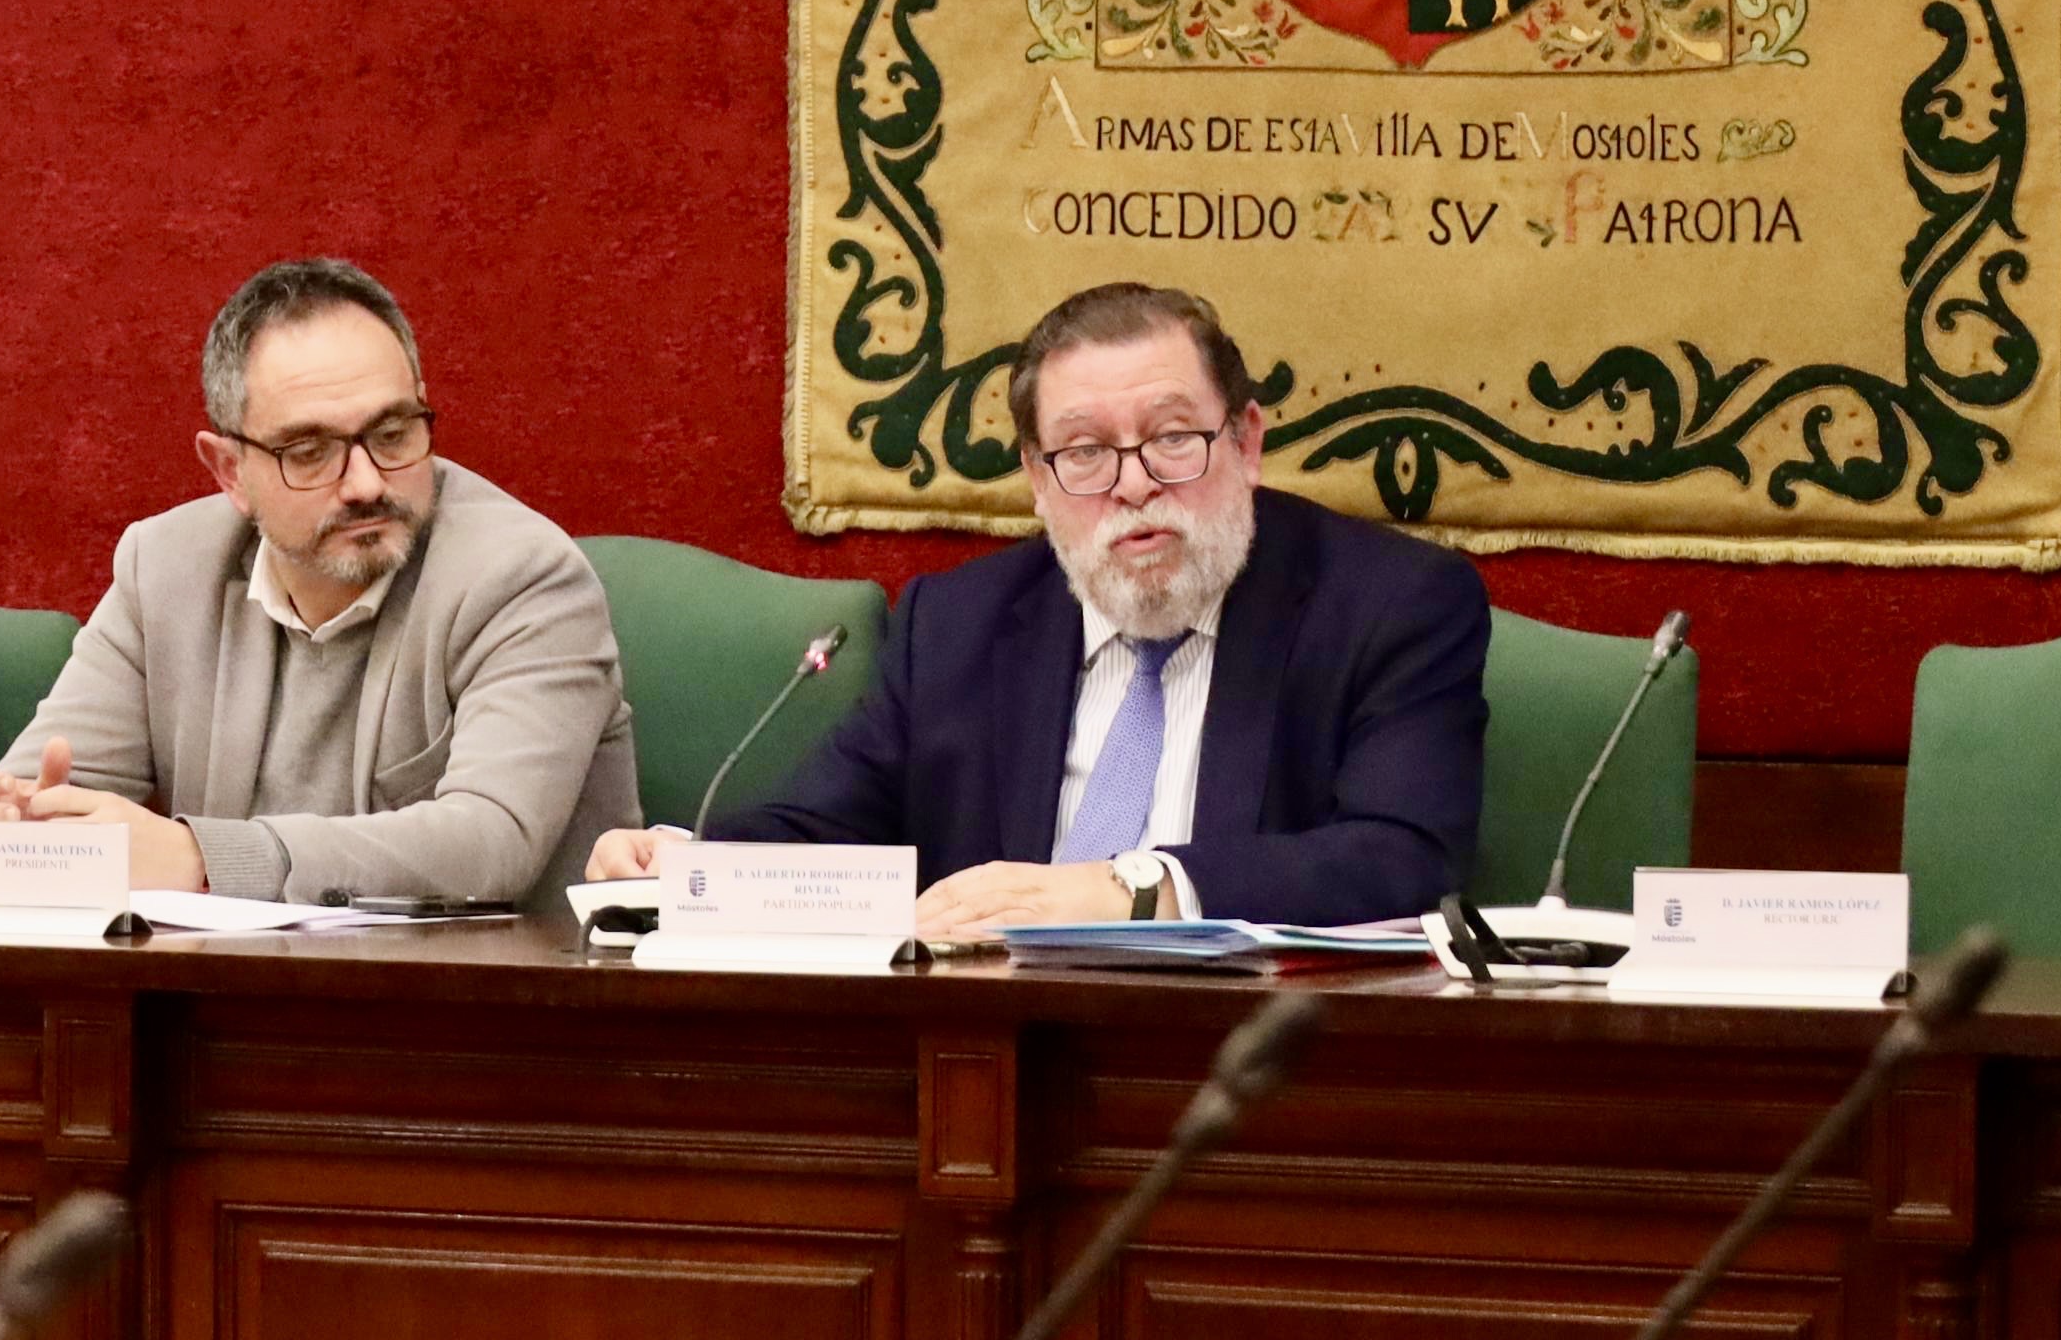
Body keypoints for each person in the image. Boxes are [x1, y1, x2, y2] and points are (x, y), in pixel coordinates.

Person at [587, 278, 1486, 939]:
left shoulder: (1389, 605)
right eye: (1084, 452)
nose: (1134, 485)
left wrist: (1131, 889)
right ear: (1037, 480)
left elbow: (1404, 856)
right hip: (987, 1050)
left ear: (1246, 442)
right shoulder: (960, 624)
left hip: (1251, 1062)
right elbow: (829, 829)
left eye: (1173, 437)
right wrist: (688, 866)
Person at [0, 257, 637, 908]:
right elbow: (42, 797)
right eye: (311, 452)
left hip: (477, 986)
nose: (366, 483)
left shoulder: (525, 579)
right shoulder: (165, 568)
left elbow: (490, 843)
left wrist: (205, 858)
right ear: (230, 471)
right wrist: (19, 834)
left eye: (392, 434)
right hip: (226, 984)